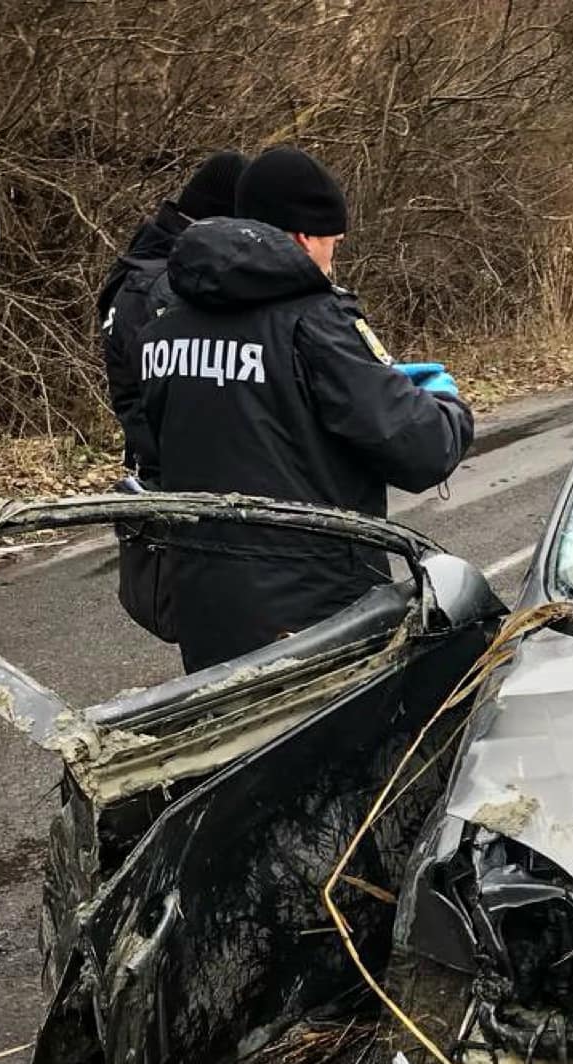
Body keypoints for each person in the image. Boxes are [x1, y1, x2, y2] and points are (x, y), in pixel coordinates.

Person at [138, 146, 473, 673]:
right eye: (332, 244)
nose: (332, 260)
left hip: (206, 603)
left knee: (238, 744)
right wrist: (445, 403)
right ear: (302, 237)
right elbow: (424, 449)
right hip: (318, 611)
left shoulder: (165, 325)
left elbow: (156, 452)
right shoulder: (314, 322)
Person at [97, 150, 247, 642]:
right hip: (184, 483)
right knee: (222, 643)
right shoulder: (168, 286)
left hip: (163, 469)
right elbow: (188, 399)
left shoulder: (140, 269)